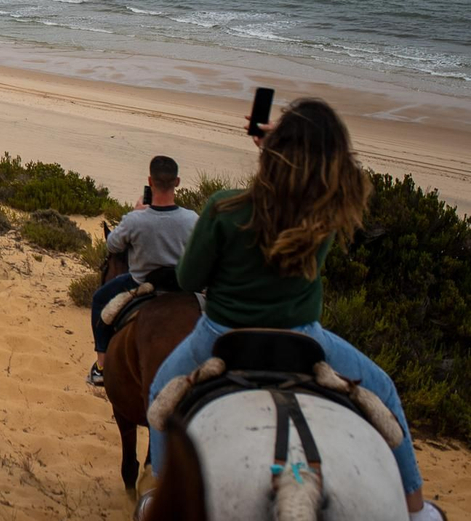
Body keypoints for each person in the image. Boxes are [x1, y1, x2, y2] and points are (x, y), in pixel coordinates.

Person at [143, 99, 442, 521]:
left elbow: (190, 280)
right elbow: (321, 180)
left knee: (161, 393)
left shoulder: (225, 207)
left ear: (277, 150)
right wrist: (284, 147)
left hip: (220, 335)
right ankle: (415, 507)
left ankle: (159, 496)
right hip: (305, 339)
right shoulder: (324, 212)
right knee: (385, 391)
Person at [85, 155, 198, 387]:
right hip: (182, 286)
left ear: (150, 180)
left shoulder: (136, 220)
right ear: (177, 182)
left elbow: (113, 245)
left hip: (140, 283)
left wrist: (136, 212)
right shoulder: (192, 219)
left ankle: (101, 367)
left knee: (99, 301)